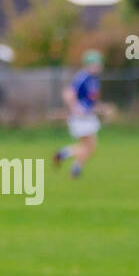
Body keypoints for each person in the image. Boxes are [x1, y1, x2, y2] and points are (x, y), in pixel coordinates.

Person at [54, 49, 105, 179]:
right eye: (96, 64)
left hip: (88, 116)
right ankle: (72, 165)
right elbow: (68, 93)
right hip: (81, 118)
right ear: (89, 64)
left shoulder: (94, 79)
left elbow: (91, 100)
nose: (99, 66)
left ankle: (69, 161)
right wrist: (75, 108)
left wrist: (101, 108)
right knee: (90, 146)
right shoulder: (83, 77)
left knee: (89, 147)